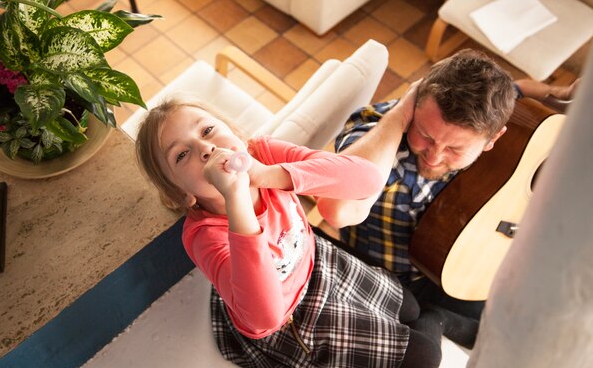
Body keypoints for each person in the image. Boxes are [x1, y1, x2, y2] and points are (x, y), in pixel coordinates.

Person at [135, 97, 456, 368]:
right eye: (181, 155)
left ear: (236, 134)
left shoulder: (262, 155)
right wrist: (236, 198)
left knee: (410, 307)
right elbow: (265, 315)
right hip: (288, 318)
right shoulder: (202, 234)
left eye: (207, 130)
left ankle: (432, 316)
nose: (205, 148)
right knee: (423, 356)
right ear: (183, 195)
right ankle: (441, 318)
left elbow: (366, 180)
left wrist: (265, 174)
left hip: (315, 262)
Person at [316, 48, 579, 349]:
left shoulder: (494, 120)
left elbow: (519, 90)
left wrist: (554, 91)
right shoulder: (372, 134)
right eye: (425, 135)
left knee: (515, 322)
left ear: (494, 139)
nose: (434, 155)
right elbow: (337, 209)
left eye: (455, 149)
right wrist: (400, 115)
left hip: (462, 258)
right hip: (390, 279)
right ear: (415, 106)